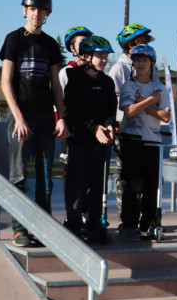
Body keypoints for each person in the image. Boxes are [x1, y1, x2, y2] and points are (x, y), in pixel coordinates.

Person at [0, 0, 68, 248]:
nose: (36, 14)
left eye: (41, 10)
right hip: (20, 115)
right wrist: (18, 118)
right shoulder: (13, 39)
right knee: (19, 173)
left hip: (44, 116)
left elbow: (56, 86)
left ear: (47, 13)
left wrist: (61, 117)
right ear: (24, 11)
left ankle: (43, 225)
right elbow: (5, 83)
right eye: (32, 9)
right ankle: (19, 228)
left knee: (45, 174)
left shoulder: (50, 44)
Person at [63, 36, 117, 244]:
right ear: (87, 56)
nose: (103, 60)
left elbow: (111, 109)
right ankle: (74, 224)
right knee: (76, 184)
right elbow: (74, 109)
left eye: (105, 56)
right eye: (99, 56)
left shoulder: (107, 81)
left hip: (101, 142)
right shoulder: (74, 77)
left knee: (97, 185)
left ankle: (94, 224)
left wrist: (110, 125)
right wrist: (94, 128)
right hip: (79, 140)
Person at [116, 44, 171, 242]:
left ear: (152, 64)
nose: (140, 64)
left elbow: (165, 116)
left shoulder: (160, 88)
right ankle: (129, 225)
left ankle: (148, 225)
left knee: (150, 187)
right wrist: (151, 101)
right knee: (131, 185)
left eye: (145, 60)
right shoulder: (128, 86)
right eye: (137, 60)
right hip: (131, 139)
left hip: (153, 141)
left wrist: (144, 104)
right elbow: (128, 111)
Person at [109, 23, 158, 231]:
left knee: (149, 179)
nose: (146, 43)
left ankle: (147, 219)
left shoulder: (150, 68)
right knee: (129, 179)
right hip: (127, 130)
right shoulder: (119, 68)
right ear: (130, 43)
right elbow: (116, 99)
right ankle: (127, 220)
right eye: (142, 40)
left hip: (148, 130)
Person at [57, 26, 93, 169]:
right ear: (72, 48)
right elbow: (59, 102)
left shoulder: (96, 73)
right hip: (72, 133)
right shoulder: (66, 72)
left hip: (91, 134)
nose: (86, 46)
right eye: (82, 43)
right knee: (71, 177)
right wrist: (61, 122)